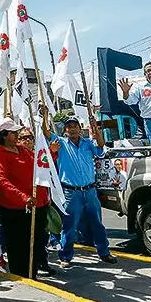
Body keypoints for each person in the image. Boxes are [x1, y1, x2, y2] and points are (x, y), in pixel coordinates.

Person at [42, 109, 117, 269]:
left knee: (97, 223)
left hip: (90, 191)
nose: (73, 129)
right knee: (69, 225)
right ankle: (66, 256)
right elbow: (46, 132)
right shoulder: (60, 143)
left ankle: (104, 252)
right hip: (71, 192)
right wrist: (44, 116)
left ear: (80, 128)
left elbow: (100, 149)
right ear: (65, 130)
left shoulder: (88, 143)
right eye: (69, 127)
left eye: (75, 126)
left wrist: (97, 134)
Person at [0, 118, 51, 278]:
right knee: (18, 246)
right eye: (13, 133)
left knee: (37, 243)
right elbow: (1, 181)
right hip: (15, 210)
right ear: (3, 135)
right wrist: (23, 198)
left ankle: (33, 274)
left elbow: (40, 166)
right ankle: (22, 276)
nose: (17, 135)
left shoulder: (23, 150)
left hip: (36, 206)